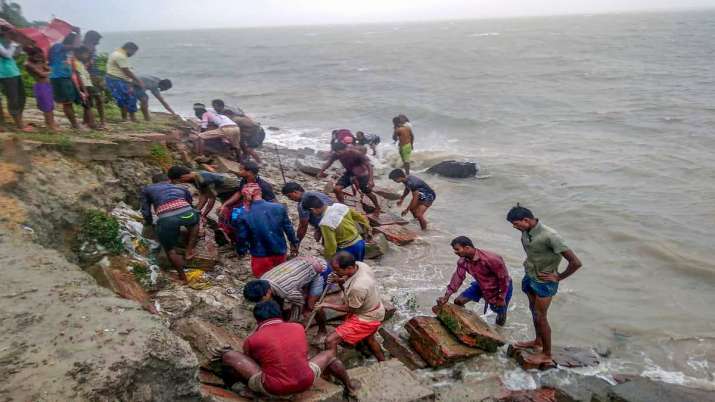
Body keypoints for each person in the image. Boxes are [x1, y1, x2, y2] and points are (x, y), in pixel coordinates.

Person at [216, 300, 359, 399]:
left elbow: (252, 361)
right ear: (280, 314)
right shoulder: (298, 328)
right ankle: (350, 386)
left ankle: (249, 391)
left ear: (257, 320)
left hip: (273, 388)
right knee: (329, 355)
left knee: (230, 355)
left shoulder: (253, 339)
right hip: (306, 381)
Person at [506, 205, 582, 364]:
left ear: (526, 220)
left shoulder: (550, 236)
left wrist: (559, 277)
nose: (514, 227)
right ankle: (538, 341)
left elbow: (575, 262)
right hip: (530, 275)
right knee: (533, 311)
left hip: (544, 282)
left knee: (541, 317)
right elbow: (531, 251)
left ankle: (547, 354)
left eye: (516, 224)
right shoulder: (525, 232)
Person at [317, 252, 386, 361]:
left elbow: (351, 309)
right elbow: (349, 279)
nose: (334, 272)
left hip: (367, 317)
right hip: (375, 308)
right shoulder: (360, 265)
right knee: (370, 339)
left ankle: (333, 367)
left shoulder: (358, 287)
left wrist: (327, 304)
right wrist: (339, 279)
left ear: (349, 267)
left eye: (337, 269)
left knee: (330, 341)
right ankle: (383, 361)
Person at [433, 236, 513, 326]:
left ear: (467, 248)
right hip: (481, 285)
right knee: (458, 301)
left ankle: (498, 334)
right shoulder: (463, 261)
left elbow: (504, 278)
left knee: (500, 314)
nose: (455, 252)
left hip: (501, 286)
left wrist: (501, 298)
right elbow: (458, 277)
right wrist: (446, 296)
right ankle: (468, 324)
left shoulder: (491, 259)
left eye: (457, 249)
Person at [140, 173, 200, 283]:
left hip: (167, 219)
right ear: (169, 180)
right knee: (195, 222)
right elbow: (190, 203)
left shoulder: (147, 189)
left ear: (154, 182)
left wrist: (149, 222)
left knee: (170, 250)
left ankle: (183, 277)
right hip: (187, 213)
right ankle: (189, 250)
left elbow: (145, 210)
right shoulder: (180, 187)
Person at [234, 183, 300, 277]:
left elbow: (241, 236)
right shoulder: (279, 207)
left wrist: (241, 251)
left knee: (263, 283)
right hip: (280, 251)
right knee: (279, 280)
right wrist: (294, 243)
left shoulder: (241, 212)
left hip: (259, 254)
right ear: (260, 193)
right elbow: (289, 229)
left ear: (244, 195)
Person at [243, 256, 328, 324]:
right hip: (302, 263)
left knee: (312, 305)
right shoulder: (263, 280)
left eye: (260, 300)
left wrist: (292, 321)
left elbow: (299, 303)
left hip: (320, 268)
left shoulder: (287, 291)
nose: (260, 303)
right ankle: (280, 316)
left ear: (268, 292)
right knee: (278, 298)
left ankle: (322, 330)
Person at [303, 195, 371, 262]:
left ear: (313, 209)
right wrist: (367, 230)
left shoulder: (325, 223)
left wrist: (328, 261)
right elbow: (360, 217)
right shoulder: (340, 206)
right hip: (359, 242)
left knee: (346, 270)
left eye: (311, 212)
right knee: (358, 266)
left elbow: (331, 246)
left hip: (347, 249)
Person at [317, 141, 380, 213]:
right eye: (337, 152)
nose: (339, 154)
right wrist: (321, 171)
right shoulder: (336, 154)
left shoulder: (356, 154)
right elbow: (329, 162)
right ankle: (343, 206)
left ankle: (377, 207)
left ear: (345, 148)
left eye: (340, 152)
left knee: (367, 191)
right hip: (349, 173)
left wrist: (370, 180)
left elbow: (369, 166)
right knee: (337, 189)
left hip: (361, 174)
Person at [166, 166, 240, 221]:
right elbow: (203, 195)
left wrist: (204, 215)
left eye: (180, 181)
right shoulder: (195, 177)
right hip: (224, 193)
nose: (182, 183)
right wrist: (197, 210)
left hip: (236, 191)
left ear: (183, 177)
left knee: (230, 216)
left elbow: (211, 198)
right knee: (224, 215)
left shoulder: (203, 179)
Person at [281, 182, 334, 247]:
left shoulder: (302, 204)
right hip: (336, 221)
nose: (290, 199)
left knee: (330, 246)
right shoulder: (316, 194)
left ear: (295, 192)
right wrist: (319, 230)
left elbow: (303, 226)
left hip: (328, 227)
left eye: (289, 196)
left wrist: (296, 243)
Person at [48, 32, 81, 129]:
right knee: (67, 103)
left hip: (65, 77)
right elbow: (77, 46)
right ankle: (75, 125)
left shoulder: (64, 49)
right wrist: (78, 32)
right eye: (76, 39)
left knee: (69, 101)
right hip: (59, 78)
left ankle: (74, 124)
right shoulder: (58, 46)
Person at [105, 42, 143, 122]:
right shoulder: (120, 56)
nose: (133, 54)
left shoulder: (117, 53)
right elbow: (126, 71)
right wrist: (138, 80)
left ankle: (129, 118)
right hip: (116, 79)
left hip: (118, 79)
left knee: (129, 98)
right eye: (134, 52)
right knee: (124, 99)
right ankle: (126, 118)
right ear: (129, 49)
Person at [23, 46, 58, 131]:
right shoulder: (28, 64)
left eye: (40, 55)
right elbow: (42, 74)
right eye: (36, 55)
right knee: (47, 108)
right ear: (30, 55)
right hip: (41, 86)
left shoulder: (41, 62)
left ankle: (51, 124)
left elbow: (48, 69)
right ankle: (51, 127)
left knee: (50, 106)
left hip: (47, 85)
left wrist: (44, 64)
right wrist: (48, 71)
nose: (38, 57)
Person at [0, 32, 28, 131]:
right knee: (14, 98)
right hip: (5, 73)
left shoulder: (5, 42)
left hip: (13, 72)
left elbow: (13, 55)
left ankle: (15, 122)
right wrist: (13, 44)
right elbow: (7, 55)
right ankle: (19, 125)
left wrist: (20, 45)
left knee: (21, 97)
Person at [82, 30, 105, 127]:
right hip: (87, 77)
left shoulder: (93, 48)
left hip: (95, 76)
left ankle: (97, 121)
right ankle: (90, 121)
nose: (98, 43)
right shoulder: (82, 48)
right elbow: (82, 64)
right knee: (92, 99)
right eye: (96, 40)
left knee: (96, 99)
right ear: (90, 39)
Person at [73, 46, 97, 129]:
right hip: (84, 85)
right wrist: (84, 89)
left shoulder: (80, 63)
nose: (87, 56)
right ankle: (92, 123)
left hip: (88, 85)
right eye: (85, 54)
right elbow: (79, 76)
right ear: (78, 54)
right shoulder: (75, 63)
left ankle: (86, 121)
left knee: (88, 105)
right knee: (88, 105)